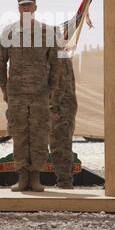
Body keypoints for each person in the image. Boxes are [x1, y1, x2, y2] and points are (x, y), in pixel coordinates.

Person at [0, 0, 60, 192]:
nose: (26, 9)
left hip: (40, 95)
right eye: (23, 6)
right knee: (19, 134)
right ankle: (22, 177)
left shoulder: (48, 32)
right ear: (18, 8)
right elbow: (0, 64)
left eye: (29, 5)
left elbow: (56, 64)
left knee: (39, 135)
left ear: (36, 7)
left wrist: (50, 89)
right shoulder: (9, 33)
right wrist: (5, 89)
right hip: (17, 95)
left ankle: (35, 178)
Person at [49, 50, 78, 188]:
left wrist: (53, 108)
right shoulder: (63, 53)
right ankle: (65, 180)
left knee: (59, 146)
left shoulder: (57, 55)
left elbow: (58, 84)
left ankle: (65, 182)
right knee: (64, 144)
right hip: (67, 106)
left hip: (61, 108)